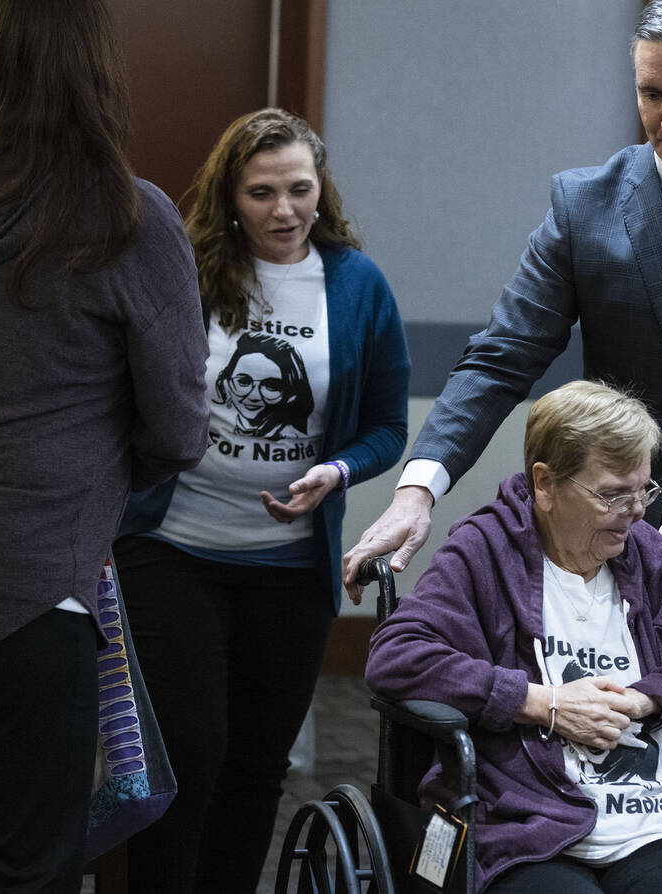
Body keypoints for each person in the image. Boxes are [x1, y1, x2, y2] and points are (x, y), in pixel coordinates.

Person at [345, 0, 662, 873]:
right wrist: (417, 487)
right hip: (611, 549)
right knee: (605, 792)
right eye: (651, 94)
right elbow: (503, 356)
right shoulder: (587, 204)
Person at [0, 0, 211, 890]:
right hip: (35, 589)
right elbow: (178, 429)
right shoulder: (128, 219)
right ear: (97, 67)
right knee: (28, 868)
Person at [112, 107, 410, 893]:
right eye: (262, 192)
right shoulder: (189, 270)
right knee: (191, 745)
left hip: (288, 568)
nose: (284, 210)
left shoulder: (355, 284)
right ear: (230, 198)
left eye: (300, 190)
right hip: (171, 548)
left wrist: (339, 473)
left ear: (323, 190)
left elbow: (385, 426)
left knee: (257, 763)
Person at [366, 381, 662, 893]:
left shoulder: (648, 555)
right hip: (528, 825)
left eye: (643, 490)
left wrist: (650, 698)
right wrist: (544, 703)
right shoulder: (485, 552)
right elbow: (397, 655)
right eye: (611, 495)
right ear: (545, 484)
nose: (636, 511)